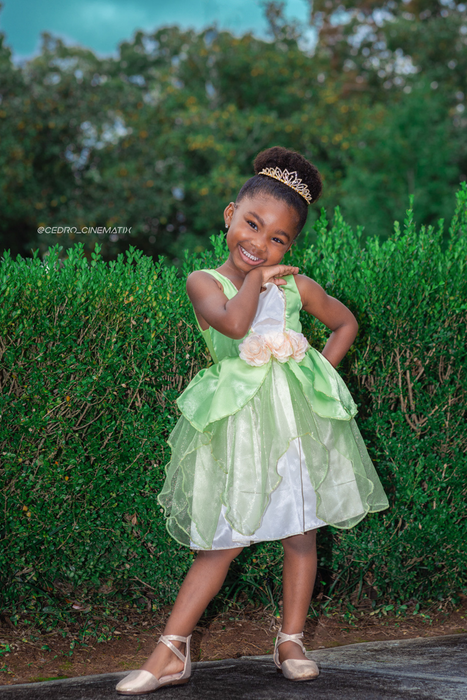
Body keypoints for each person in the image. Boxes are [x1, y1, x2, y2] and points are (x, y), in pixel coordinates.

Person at [116, 146, 389, 695]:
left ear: (291, 245)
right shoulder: (204, 282)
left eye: (278, 238)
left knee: (301, 534)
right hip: (238, 430)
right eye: (252, 224)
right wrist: (257, 280)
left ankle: (291, 640)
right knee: (222, 541)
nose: (260, 243)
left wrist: (317, 377)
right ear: (230, 215)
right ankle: (170, 651)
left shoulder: (295, 288)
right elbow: (235, 326)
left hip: (295, 428)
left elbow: (345, 324)